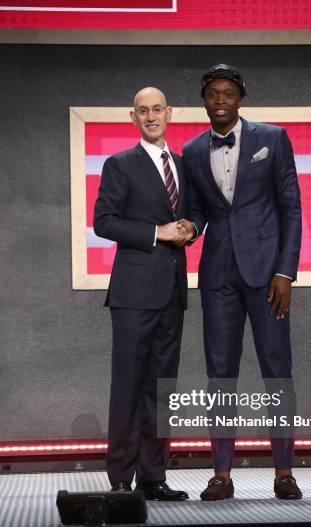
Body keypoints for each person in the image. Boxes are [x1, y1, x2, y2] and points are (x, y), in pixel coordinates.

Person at [180, 64, 303, 501]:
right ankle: (221, 474)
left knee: (277, 371)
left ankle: (284, 472)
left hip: (269, 274)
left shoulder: (272, 138)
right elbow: (195, 211)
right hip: (218, 275)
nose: (219, 101)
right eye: (212, 94)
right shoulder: (192, 150)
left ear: (240, 98)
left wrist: (286, 272)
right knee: (220, 374)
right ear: (204, 100)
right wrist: (187, 230)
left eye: (227, 93)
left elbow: (291, 208)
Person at [93, 87, 189, 501]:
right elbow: (104, 222)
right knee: (129, 386)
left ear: (169, 114)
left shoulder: (183, 166)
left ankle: (154, 476)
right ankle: (121, 478)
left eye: (157, 110)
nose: (151, 116)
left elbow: (196, 213)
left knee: (161, 388)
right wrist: (157, 233)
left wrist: (191, 228)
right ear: (132, 118)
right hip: (133, 294)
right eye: (142, 111)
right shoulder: (120, 165)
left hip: (171, 293)